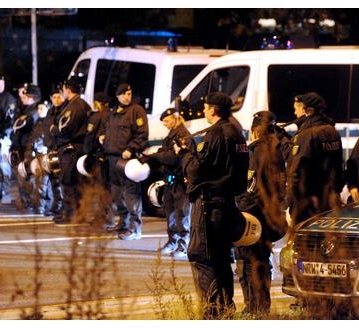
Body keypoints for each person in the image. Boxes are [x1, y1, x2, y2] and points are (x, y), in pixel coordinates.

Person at [175, 92, 249, 319]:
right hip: (227, 204)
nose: (204, 111)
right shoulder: (237, 134)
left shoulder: (216, 134)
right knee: (221, 259)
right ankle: (226, 310)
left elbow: (197, 169)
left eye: (206, 108)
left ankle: (213, 314)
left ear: (213, 110)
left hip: (208, 205)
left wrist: (185, 155)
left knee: (203, 257)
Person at [234, 111, 288, 315]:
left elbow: (251, 188)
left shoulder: (257, 152)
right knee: (261, 262)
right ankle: (261, 307)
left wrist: (241, 213)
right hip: (270, 215)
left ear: (256, 129)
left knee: (249, 263)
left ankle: (254, 307)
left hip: (254, 216)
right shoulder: (278, 149)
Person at [99, 83, 149, 240]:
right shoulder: (115, 111)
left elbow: (142, 135)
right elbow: (107, 129)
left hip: (127, 160)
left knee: (131, 195)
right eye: (124, 94)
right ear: (118, 96)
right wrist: (101, 136)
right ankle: (123, 224)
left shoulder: (136, 111)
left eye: (129, 93)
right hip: (112, 159)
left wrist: (131, 148)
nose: (127, 96)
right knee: (117, 193)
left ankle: (135, 228)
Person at [286, 92, 344, 225]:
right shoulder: (332, 130)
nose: (295, 113)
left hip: (307, 204)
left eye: (297, 109)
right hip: (329, 200)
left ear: (307, 110)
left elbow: (296, 172)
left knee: (305, 243)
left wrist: (292, 202)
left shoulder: (307, 134)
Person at [145, 108, 192, 258]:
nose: (164, 124)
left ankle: (183, 243)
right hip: (170, 180)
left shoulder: (184, 136)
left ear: (175, 118)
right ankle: (173, 240)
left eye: (166, 121)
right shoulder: (172, 135)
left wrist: (155, 156)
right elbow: (165, 152)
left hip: (180, 182)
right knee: (170, 211)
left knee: (182, 213)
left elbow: (173, 158)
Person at [51, 78, 89, 224]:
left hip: (71, 149)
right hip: (77, 149)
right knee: (77, 183)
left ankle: (70, 214)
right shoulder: (82, 104)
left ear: (68, 89)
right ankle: (78, 214)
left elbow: (65, 128)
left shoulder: (74, 106)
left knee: (68, 182)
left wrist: (53, 129)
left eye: (64, 90)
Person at [83, 91, 115, 229]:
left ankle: (105, 217)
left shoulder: (96, 117)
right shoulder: (112, 115)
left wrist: (87, 153)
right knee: (107, 188)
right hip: (110, 157)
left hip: (98, 157)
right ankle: (105, 216)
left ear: (97, 103)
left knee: (101, 188)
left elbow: (90, 138)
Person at [10, 84, 40, 211]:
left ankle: (29, 201)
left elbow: (24, 127)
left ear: (32, 97)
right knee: (22, 174)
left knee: (26, 174)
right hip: (21, 146)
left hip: (27, 147)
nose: (23, 97)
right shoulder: (26, 110)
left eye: (26, 95)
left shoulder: (34, 111)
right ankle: (25, 199)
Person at [41, 86, 65, 217]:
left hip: (59, 149)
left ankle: (61, 207)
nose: (57, 99)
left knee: (61, 180)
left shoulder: (64, 110)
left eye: (59, 96)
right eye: (54, 97)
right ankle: (55, 205)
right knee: (53, 181)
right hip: (50, 148)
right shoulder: (50, 111)